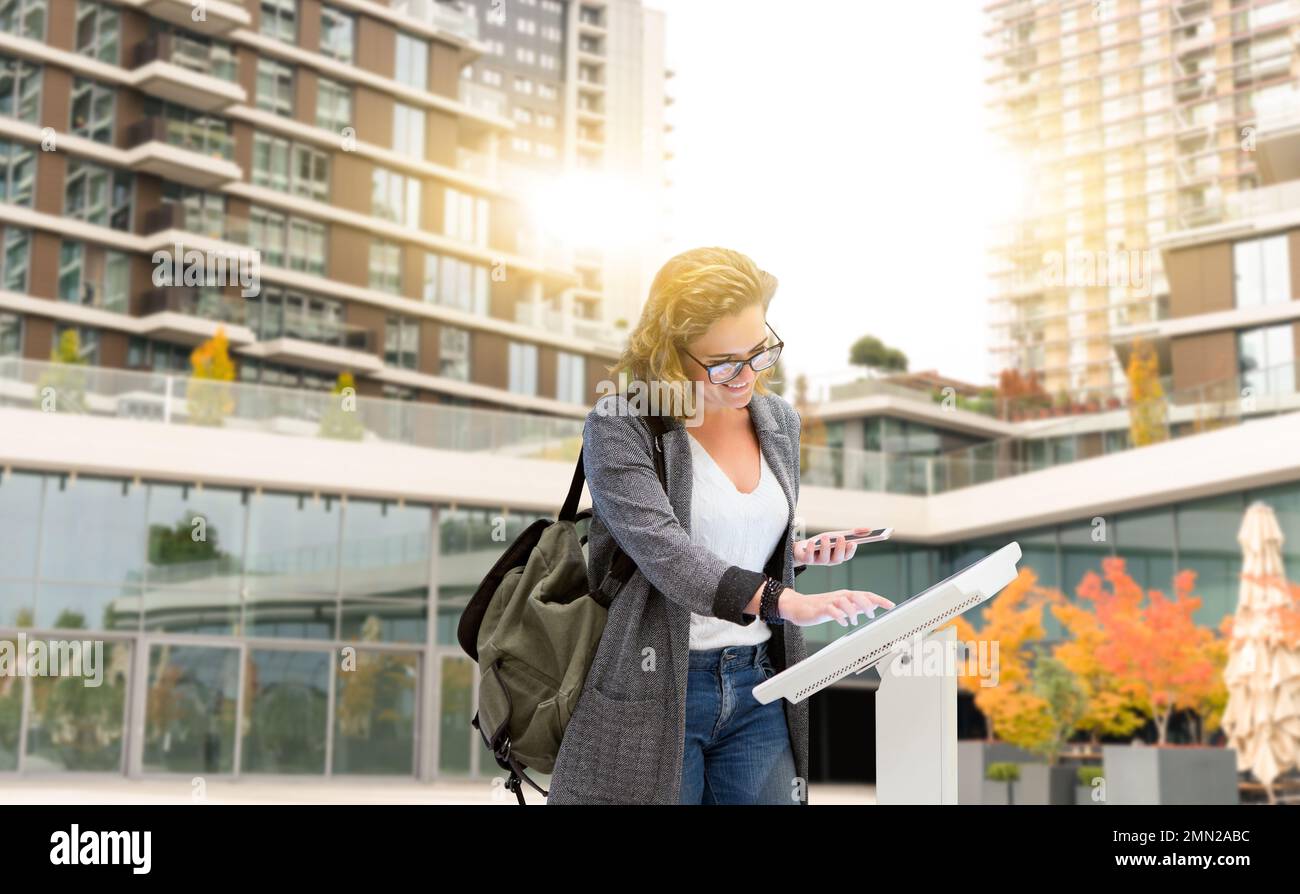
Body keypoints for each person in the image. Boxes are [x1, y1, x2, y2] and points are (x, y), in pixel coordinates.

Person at [545, 246, 894, 805]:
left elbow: (728, 539)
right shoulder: (623, 424)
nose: (747, 375)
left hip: (759, 681)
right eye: (723, 362)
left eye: (760, 352)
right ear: (668, 351)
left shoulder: (777, 420)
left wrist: (793, 557)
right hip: (654, 683)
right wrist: (783, 597)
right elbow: (666, 552)